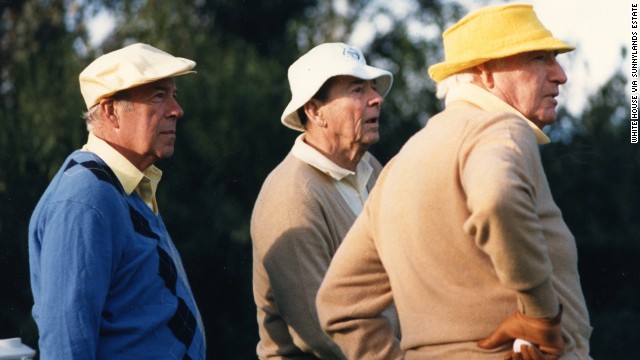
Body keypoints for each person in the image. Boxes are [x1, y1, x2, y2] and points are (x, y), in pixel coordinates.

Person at [316, 4, 593, 360]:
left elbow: (338, 304)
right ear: (486, 73)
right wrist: (541, 317)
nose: (560, 75)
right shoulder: (501, 128)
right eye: (539, 58)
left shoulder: (399, 166)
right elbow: (498, 199)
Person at [28, 43, 206, 359]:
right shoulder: (84, 198)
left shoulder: (124, 187)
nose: (177, 110)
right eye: (158, 96)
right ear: (111, 111)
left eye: (174, 95)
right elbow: (66, 345)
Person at [251, 42, 398, 359]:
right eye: (358, 90)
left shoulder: (372, 169)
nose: (376, 99)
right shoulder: (291, 196)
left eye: (372, 88)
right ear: (315, 111)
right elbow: (320, 330)